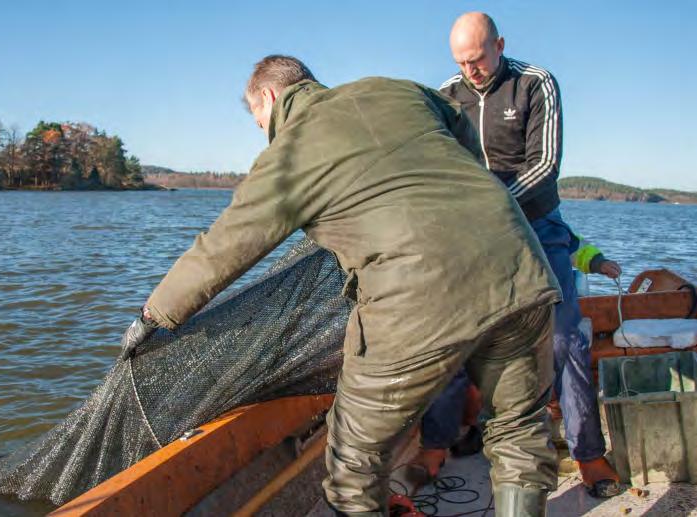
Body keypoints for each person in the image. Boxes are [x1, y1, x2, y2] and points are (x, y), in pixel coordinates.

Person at [120, 55, 562, 515]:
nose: (263, 131)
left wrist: (153, 315)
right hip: (519, 264)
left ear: (270, 97)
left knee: (353, 463)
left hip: (416, 297)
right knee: (519, 430)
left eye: (258, 122)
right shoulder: (395, 88)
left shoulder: (287, 154)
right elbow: (464, 135)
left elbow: (223, 248)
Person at [418, 12, 621, 498]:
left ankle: (589, 454)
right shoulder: (447, 94)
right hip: (472, 233)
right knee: (452, 334)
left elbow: (545, 165)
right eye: (462, 62)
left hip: (538, 226)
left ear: (499, 45)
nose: (472, 71)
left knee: (566, 336)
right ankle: (434, 444)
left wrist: (492, 204)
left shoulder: (535, 84)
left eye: (479, 59)